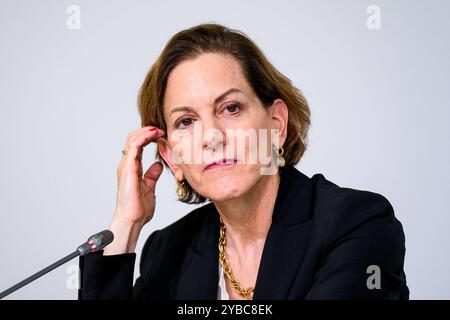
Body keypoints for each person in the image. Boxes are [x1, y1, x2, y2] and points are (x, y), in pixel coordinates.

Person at [78, 23, 409, 300]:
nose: (212, 136)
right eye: (186, 121)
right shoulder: (168, 251)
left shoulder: (358, 224)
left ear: (277, 124)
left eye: (230, 108)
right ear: (171, 158)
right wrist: (125, 225)